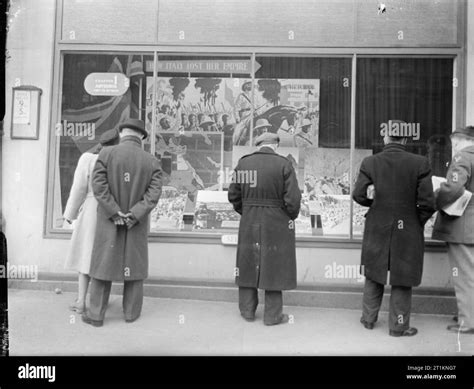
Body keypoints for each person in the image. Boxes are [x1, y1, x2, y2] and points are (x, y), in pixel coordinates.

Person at [352, 123, 435, 337]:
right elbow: (427, 203)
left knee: (373, 271)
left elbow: (359, 195)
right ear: (406, 140)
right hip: (408, 227)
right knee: (402, 275)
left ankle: (369, 319)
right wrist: (417, 221)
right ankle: (398, 326)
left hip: (377, 224)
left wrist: (377, 207)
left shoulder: (370, 162)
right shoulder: (420, 163)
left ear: (386, 138)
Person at [82, 119, 163, 327]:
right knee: (134, 267)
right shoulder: (151, 161)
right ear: (141, 137)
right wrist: (134, 214)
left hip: (110, 221)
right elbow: (153, 195)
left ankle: (96, 315)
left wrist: (114, 211)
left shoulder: (106, 154)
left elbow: (98, 186)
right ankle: (131, 314)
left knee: (102, 266)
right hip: (136, 223)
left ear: (121, 133)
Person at [228, 132, 301, 325]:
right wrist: (287, 217)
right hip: (276, 222)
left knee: (247, 263)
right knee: (274, 266)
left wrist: (248, 210)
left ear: (258, 144)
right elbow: (293, 201)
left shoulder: (244, 163)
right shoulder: (284, 164)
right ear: (275, 145)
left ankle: (247, 311)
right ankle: (272, 316)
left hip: (249, 220)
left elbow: (233, 196)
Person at [63, 129, 120, 314]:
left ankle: (81, 300)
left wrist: (70, 214)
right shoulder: (118, 161)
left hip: (90, 209)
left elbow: (78, 188)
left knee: (85, 255)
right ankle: (99, 301)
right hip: (112, 210)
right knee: (104, 256)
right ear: (117, 143)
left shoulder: (88, 159)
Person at [432, 125, 474, 334]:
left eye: (453, 143)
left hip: (463, 226)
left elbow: (455, 188)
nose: (453, 147)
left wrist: (436, 197)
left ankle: (468, 322)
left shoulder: (462, 158)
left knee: (464, 275)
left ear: (459, 141)